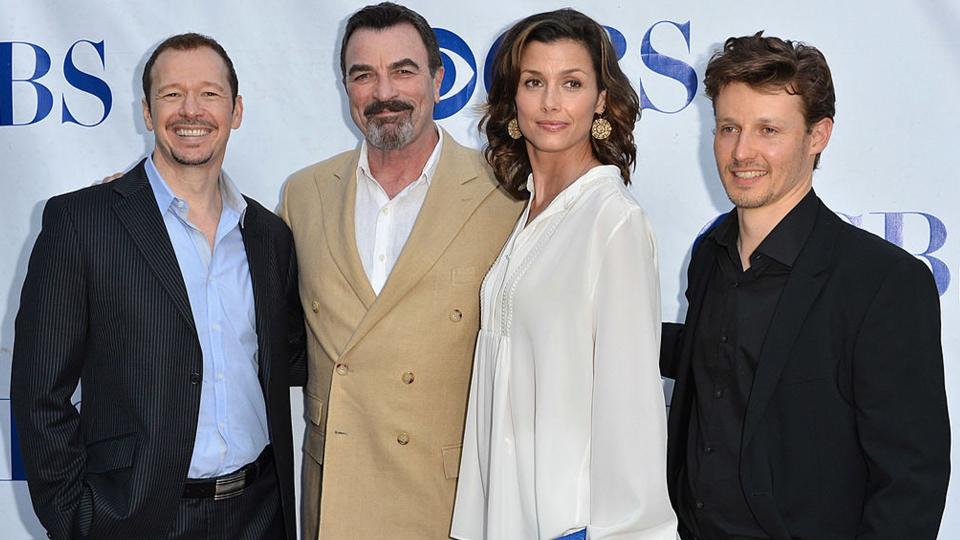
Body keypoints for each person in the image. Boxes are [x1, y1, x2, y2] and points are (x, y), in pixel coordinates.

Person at [11, 33, 306, 539]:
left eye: (210, 94)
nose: (191, 110)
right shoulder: (83, 223)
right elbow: (40, 392)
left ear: (236, 111)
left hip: (260, 513)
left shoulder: (268, 235)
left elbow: (293, 360)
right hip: (135, 519)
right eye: (172, 95)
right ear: (147, 113)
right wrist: (75, 517)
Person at [661, 32, 950, 539]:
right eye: (729, 128)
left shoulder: (883, 282)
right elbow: (717, 362)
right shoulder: (710, 256)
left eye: (768, 130)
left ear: (818, 136)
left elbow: (910, 483)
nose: (741, 151)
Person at [278, 3, 522, 538]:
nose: (383, 92)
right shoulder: (304, 195)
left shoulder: (506, 195)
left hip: (448, 504)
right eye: (363, 74)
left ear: (438, 79)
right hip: (335, 498)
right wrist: (141, 202)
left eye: (403, 70)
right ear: (346, 87)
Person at [451, 9, 678, 540]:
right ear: (513, 99)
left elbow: (632, 405)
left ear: (600, 100)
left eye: (571, 83)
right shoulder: (531, 212)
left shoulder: (613, 220)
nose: (551, 103)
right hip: (502, 516)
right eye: (534, 82)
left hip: (569, 524)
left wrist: (619, 530)